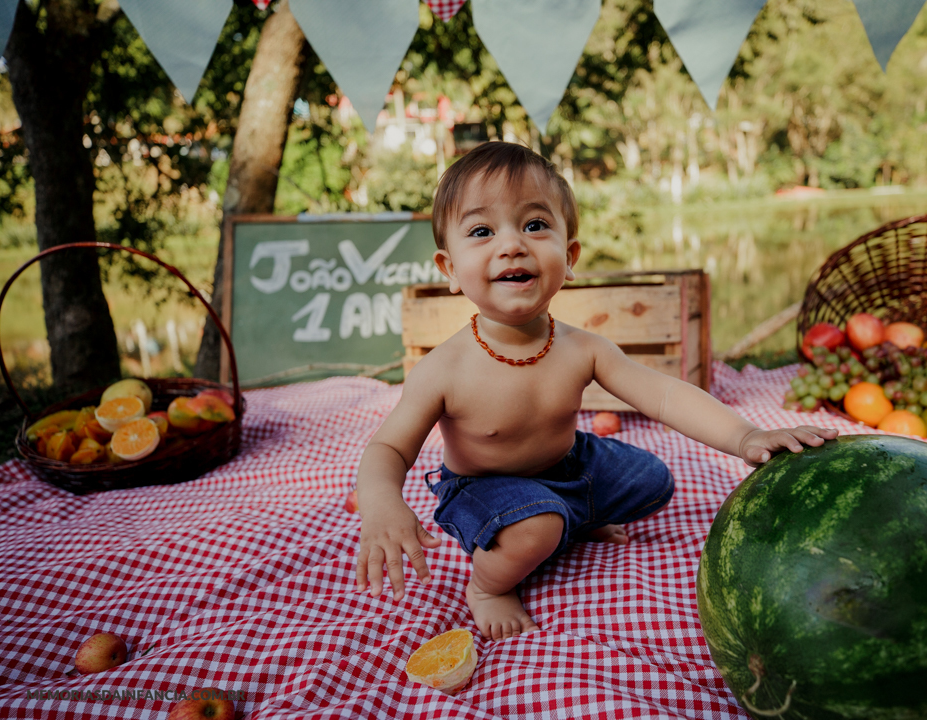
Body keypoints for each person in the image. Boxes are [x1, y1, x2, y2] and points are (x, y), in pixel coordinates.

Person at [353, 142, 837, 640]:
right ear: (449, 270)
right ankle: (488, 586)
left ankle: (574, 516)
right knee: (533, 529)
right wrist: (382, 501)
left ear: (570, 255)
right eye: (481, 231)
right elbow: (388, 447)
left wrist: (746, 437)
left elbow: (664, 395)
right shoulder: (443, 368)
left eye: (535, 225)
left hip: (569, 466)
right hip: (485, 488)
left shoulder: (583, 347)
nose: (512, 245)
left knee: (653, 480)